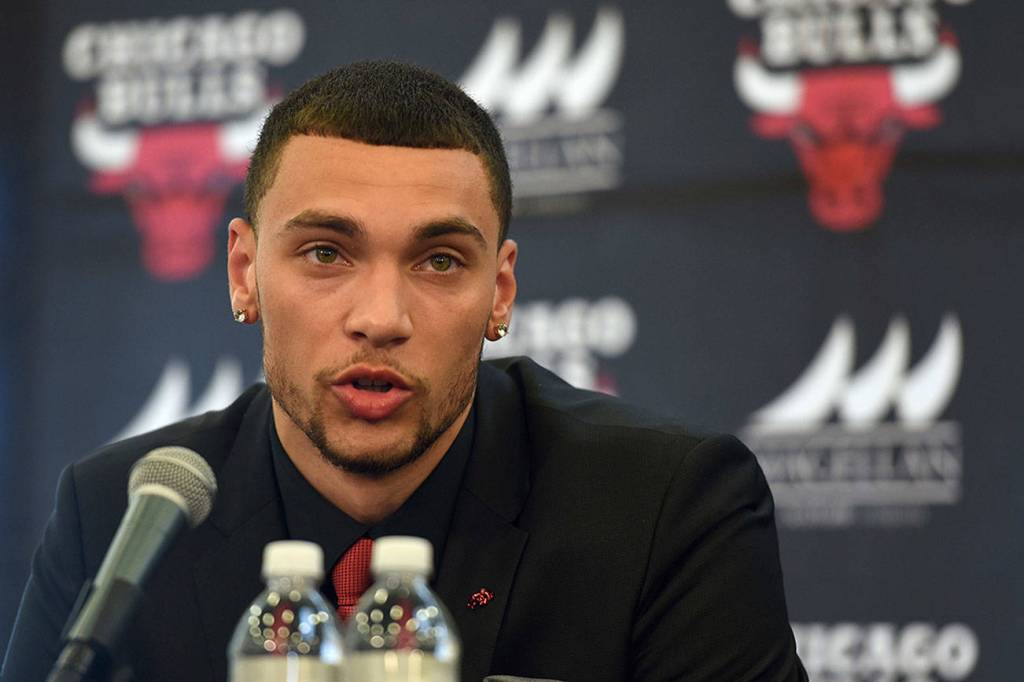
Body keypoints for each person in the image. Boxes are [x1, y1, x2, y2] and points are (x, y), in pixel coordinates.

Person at [3, 61, 806, 681]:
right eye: (326, 253)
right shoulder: (119, 521)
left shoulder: (665, 508)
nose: (382, 317)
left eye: (439, 260)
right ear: (245, 273)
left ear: (500, 292)